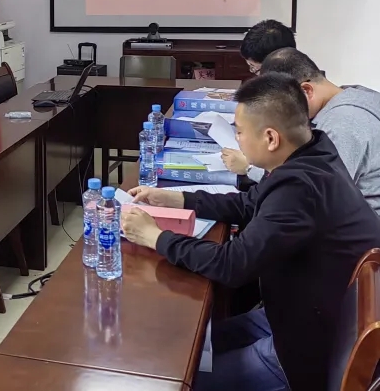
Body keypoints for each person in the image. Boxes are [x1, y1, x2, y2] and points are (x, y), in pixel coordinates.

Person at [121, 73, 380, 391]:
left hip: (311, 347)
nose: (237, 139)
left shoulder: (299, 189)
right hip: (300, 311)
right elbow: (249, 203)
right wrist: (177, 199)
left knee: (177, 379)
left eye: (240, 132)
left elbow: (231, 265)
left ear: (270, 138)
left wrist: (155, 237)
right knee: (183, 346)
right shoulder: (313, 151)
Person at [260, 47, 380, 213]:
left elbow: (315, 199)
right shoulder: (354, 94)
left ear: (306, 90)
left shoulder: (342, 125)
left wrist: (257, 167)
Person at [222, 19, 297, 181]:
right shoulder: (284, 89)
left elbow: (297, 180)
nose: (254, 74)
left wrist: (248, 168)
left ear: (277, 63)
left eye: (254, 68)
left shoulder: (299, 104)